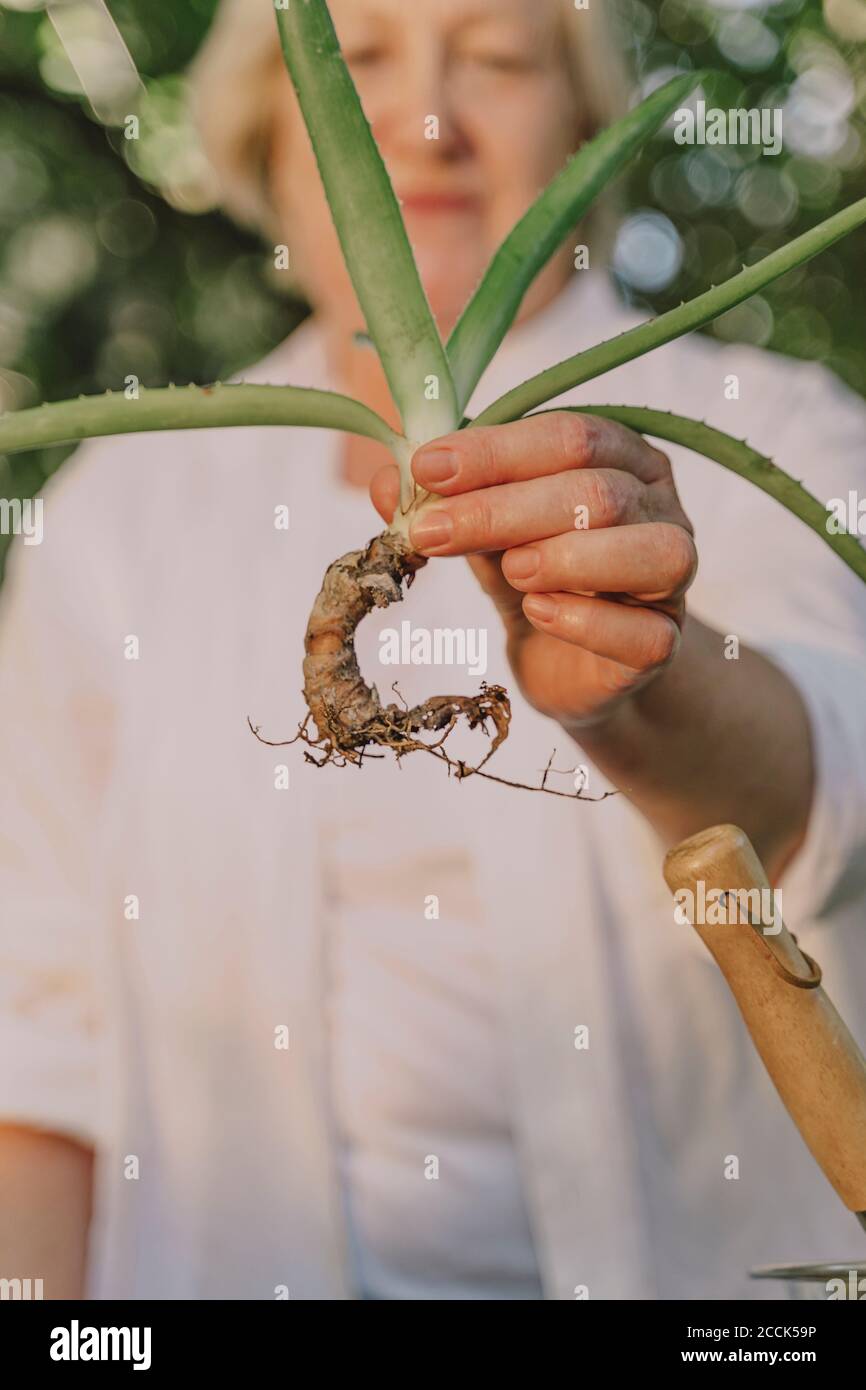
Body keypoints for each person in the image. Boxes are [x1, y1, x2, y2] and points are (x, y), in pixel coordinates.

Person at [2, 0, 866, 1301]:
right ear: (263, 130)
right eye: (357, 66)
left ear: (580, 119)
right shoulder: (119, 514)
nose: (421, 124)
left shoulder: (772, 434)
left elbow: (828, 789)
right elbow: (36, 1023)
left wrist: (644, 687)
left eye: (501, 59)